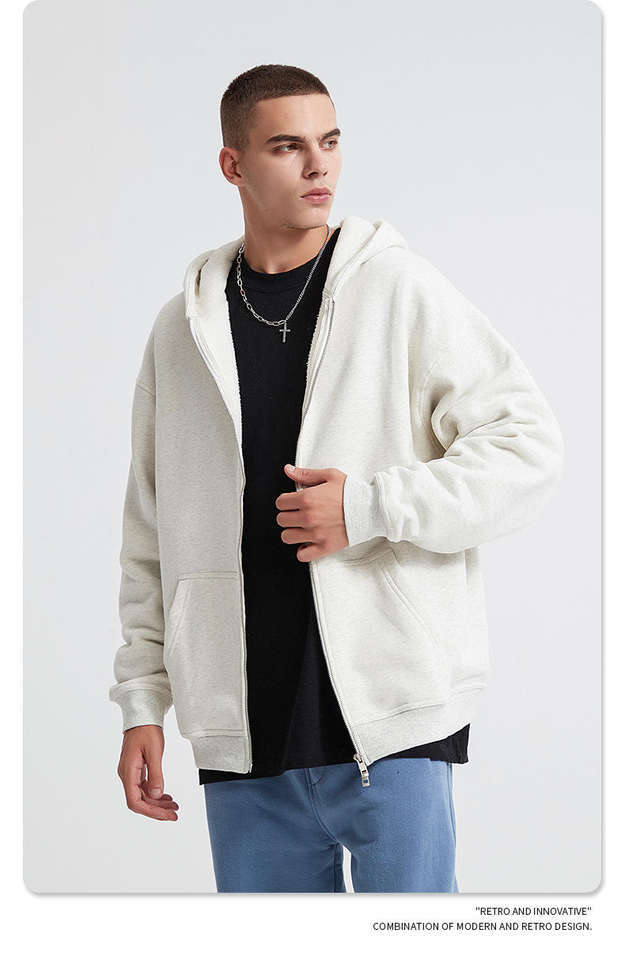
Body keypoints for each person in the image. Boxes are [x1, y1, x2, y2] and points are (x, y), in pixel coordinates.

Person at [109, 64, 564, 893]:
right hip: (243, 735)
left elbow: (526, 447)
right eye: (287, 146)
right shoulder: (182, 329)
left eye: (329, 141)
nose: (318, 165)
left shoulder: (397, 288)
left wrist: (369, 507)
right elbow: (149, 529)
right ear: (233, 165)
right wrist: (144, 700)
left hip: (389, 726)